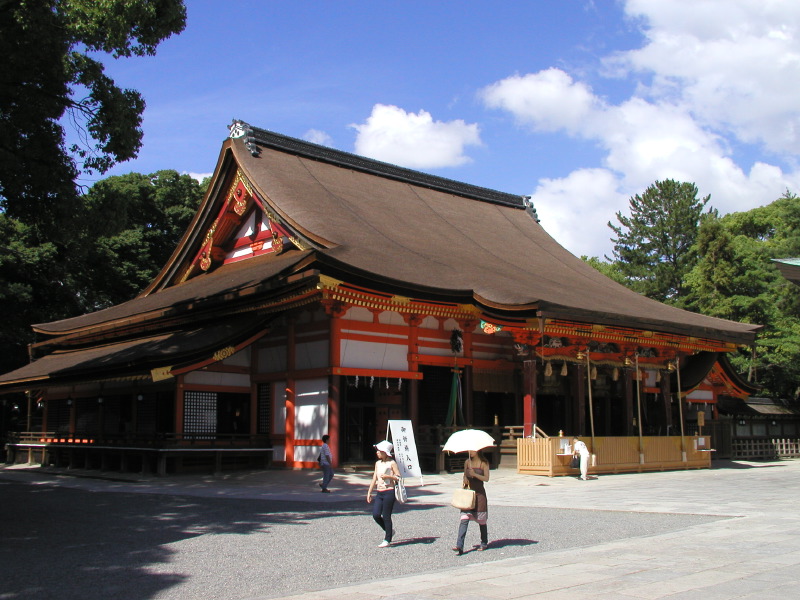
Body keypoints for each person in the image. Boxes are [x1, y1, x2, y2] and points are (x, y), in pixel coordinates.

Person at [452, 449, 490, 555]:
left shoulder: (484, 463)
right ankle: (459, 545)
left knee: (481, 520)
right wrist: (465, 479)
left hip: (480, 494)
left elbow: (486, 478)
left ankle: (484, 542)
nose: (470, 452)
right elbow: (464, 475)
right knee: (464, 518)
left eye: (472, 450)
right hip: (468, 494)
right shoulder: (467, 462)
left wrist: (475, 474)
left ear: (478, 450)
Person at [367, 440, 401, 548]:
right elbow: (374, 478)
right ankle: (389, 530)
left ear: (385, 452)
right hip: (379, 492)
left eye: (379, 451)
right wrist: (369, 492)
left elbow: (398, 477)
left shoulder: (392, 463)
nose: (377, 452)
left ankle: (387, 539)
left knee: (386, 516)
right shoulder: (377, 463)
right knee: (376, 515)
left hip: (389, 491)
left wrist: (388, 477)